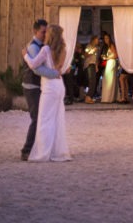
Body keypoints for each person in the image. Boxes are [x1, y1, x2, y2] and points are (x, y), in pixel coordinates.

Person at [22, 23, 71, 162]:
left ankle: (43, 153)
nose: (45, 35)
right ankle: (56, 151)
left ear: (51, 35)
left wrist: (25, 55)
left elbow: (33, 65)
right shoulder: (63, 50)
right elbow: (59, 69)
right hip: (59, 86)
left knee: (44, 120)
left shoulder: (45, 50)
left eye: (47, 33)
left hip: (49, 88)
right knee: (57, 120)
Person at [101, 34, 118, 103]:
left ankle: (109, 97)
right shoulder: (106, 46)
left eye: (107, 38)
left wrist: (107, 58)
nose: (106, 40)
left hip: (111, 63)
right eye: (105, 38)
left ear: (109, 38)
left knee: (109, 79)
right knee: (107, 79)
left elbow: (115, 55)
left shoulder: (111, 45)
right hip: (108, 62)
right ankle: (107, 97)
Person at [83, 35, 99, 104]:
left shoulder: (95, 48)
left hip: (93, 65)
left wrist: (96, 66)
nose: (98, 41)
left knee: (94, 81)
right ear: (93, 40)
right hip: (89, 65)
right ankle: (88, 97)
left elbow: (95, 59)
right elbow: (85, 55)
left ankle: (89, 97)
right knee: (92, 81)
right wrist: (92, 51)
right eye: (97, 39)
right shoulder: (89, 46)